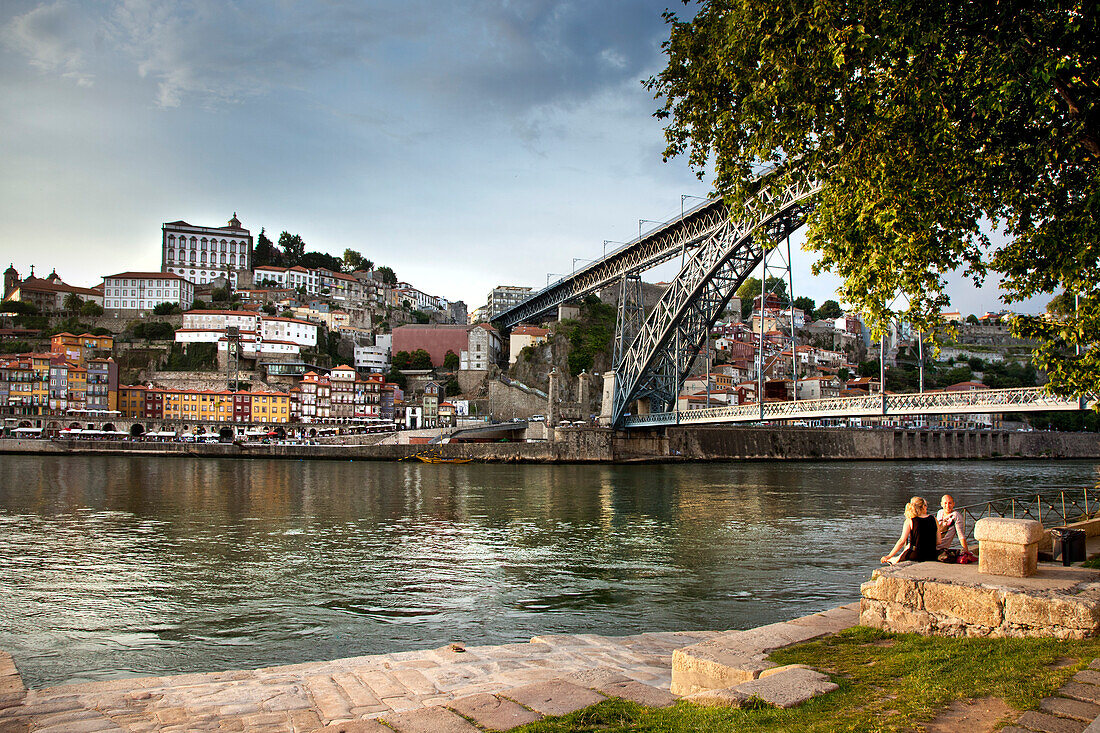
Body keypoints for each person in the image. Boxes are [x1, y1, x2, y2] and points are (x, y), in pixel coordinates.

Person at [881, 496, 941, 564]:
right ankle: (893, 559)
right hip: (931, 555)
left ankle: (890, 559)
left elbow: (901, 541)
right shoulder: (934, 519)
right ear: (923, 507)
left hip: (916, 555)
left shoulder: (910, 520)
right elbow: (939, 541)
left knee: (897, 559)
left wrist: (889, 555)